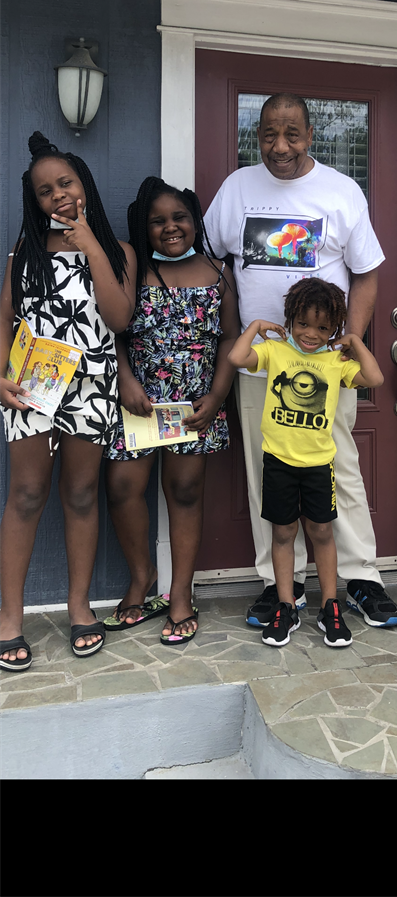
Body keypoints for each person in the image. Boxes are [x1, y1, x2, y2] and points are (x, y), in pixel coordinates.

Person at [204, 93, 397, 628]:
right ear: (257, 135)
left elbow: (366, 273)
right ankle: (278, 585)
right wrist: (233, 333)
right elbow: (215, 262)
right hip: (262, 364)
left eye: (292, 134)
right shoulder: (236, 189)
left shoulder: (340, 191)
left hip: (322, 365)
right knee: (266, 473)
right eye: (269, 134)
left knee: (340, 466)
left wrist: (350, 341)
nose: (280, 146)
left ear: (310, 135)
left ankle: (361, 576)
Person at [0, 132, 137, 672]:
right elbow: (5, 319)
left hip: (92, 384)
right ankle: (9, 618)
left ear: (85, 187)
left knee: (81, 495)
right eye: (43, 191)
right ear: (33, 202)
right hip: (32, 381)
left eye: (65, 183)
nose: (56, 195)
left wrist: (91, 245)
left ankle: (80, 606)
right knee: (27, 494)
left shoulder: (116, 251)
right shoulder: (24, 252)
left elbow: (120, 319)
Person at [104, 176, 239, 646]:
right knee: (123, 487)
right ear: (143, 227)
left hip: (195, 403)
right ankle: (141, 578)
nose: (170, 227)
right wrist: (125, 380)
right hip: (138, 400)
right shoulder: (132, 269)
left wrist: (218, 396)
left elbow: (229, 339)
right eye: (157, 221)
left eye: (179, 217)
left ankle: (181, 591)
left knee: (184, 490)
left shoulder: (218, 272)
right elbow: (114, 332)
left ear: (195, 220)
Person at [228, 278, 384, 647]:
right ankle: (286, 606)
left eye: (323, 327)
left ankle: (330, 606)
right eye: (303, 324)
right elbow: (237, 358)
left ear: (334, 330)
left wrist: (356, 342)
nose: (311, 334)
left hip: (318, 466)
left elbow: (374, 378)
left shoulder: (335, 361)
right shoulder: (277, 352)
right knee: (283, 533)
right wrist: (255, 328)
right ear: (290, 319)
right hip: (279, 463)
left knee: (322, 532)